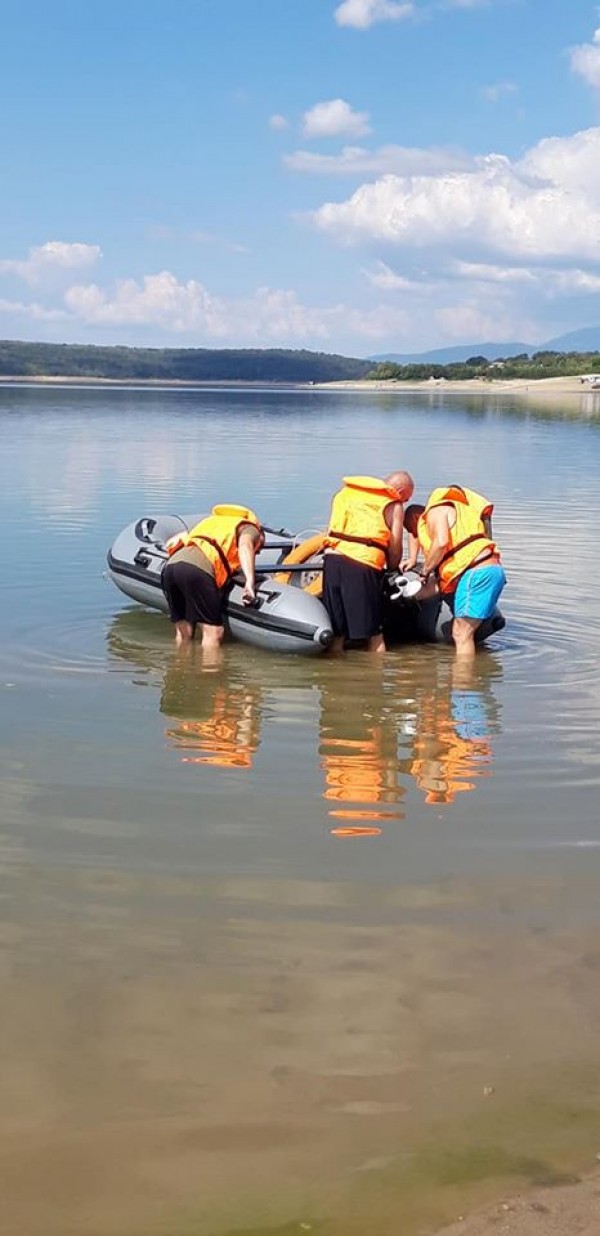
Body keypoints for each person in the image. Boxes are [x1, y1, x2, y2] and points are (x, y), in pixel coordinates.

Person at [402, 485, 506, 659]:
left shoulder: (435, 512)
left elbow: (441, 543)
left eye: (412, 530)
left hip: (476, 572)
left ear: (416, 518)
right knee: (464, 632)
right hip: (490, 569)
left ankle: (464, 682)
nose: (417, 536)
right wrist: (411, 595)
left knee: (461, 633)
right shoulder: (458, 515)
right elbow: (441, 586)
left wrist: (424, 572)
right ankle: (466, 679)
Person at [322, 471, 414, 654]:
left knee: (337, 632)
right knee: (375, 634)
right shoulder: (393, 504)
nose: (403, 503)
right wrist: (393, 569)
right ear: (401, 491)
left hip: (332, 559)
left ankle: (333, 676)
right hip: (363, 564)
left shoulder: (344, 493)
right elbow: (395, 545)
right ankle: (375, 677)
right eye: (406, 499)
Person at [161, 504, 265, 653]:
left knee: (183, 631)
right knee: (213, 632)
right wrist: (249, 581)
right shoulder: (250, 528)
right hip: (197, 570)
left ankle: (179, 669)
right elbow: (245, 546)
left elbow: (174, 541)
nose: (257, 552)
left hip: (171, 567)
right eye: (259, 549)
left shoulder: (211, 522)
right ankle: (209, 674)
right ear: (260, 536)